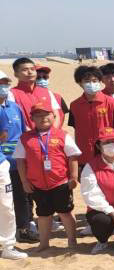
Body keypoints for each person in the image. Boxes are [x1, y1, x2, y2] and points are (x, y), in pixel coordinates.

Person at [13, 102, 80, 251]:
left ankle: (72, 241)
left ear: (54, 116)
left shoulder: (62, 135)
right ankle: (44, 243)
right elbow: (20, 161)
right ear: (32, 119)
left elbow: (73, 157)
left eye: (46, 114)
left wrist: (74, 177)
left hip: (60, 183)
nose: (43, 118)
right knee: (43, 215)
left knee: (65, 213)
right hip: (37, 185)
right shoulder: (25, 138)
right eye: (38, 115)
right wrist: (24, 181)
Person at [0, 70, 35, 246]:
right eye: (0, 84)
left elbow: (23, 133)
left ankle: (23, 229)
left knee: (21, 197)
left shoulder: (14, 107)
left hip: (16, 162)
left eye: (5, 83)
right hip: (1, 162)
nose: (3, 87)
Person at [68, 65, 114, 166]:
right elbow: (76, 129)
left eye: (94, 81)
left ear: (99, 81)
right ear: (80, 83)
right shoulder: (74, 105)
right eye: (87, 81)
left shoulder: (111, 102)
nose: (91, 84)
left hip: (107, 149)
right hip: (84, 152)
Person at [9, 57, 63, 130]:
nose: (30, 72)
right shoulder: (11, 93)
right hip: (26, 135)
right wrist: (31, 134)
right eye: (25, 70)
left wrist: (51, 133)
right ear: (16, 74)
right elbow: (14, 118)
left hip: (50, 134)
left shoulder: (47, 92)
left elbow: (56, 115)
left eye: (32, 69)